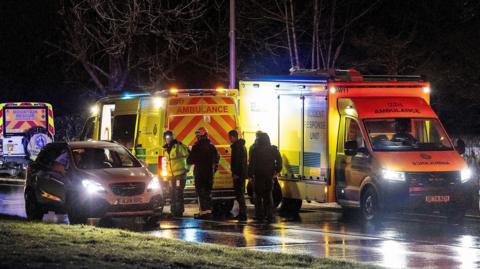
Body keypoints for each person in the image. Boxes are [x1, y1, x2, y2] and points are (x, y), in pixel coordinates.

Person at [248, 132, 282, 223]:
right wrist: (277, 170)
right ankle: (269, 215)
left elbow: (252, 164)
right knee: (268, 196)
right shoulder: (273, 149)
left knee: (258, 197)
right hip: (269, 176)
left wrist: (250, 175)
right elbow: (279, 160)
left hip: (258, 176)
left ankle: (259, 215)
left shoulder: (256, 150)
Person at [187, 127, 220, 220]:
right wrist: (214, 169)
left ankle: (203, 213)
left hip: (199, 174)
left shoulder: (196, 147)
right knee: (208, 192)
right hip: (209, 174)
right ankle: (208, 212)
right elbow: (217, 159)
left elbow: (190, 160)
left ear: (200, 136)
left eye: (197, 136)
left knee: (201, 193)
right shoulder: (212, 146)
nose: (196, 137)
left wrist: (190, 153)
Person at [163, 130, 190, 217]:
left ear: (172, 137)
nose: (167, 139)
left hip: (179, 175)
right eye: (166, 137)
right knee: (172, 193)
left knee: (178, 193)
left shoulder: (179, 146)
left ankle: (179, 212)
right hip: (171, 176)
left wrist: (187, 169)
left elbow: (189, 156)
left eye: (169, 137)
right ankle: (173, 211)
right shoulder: (166, 148)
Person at [228, 130, 248, 221]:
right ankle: (242, 213)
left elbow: (236, 162)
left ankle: (243, 214)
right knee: (240, 194)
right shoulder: (242, 146)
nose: (229, 139)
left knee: (239, 194)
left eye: (230, 137)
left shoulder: (237, 147)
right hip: (242, 174)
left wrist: (235, 173)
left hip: (238, 175)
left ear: (233, 137)